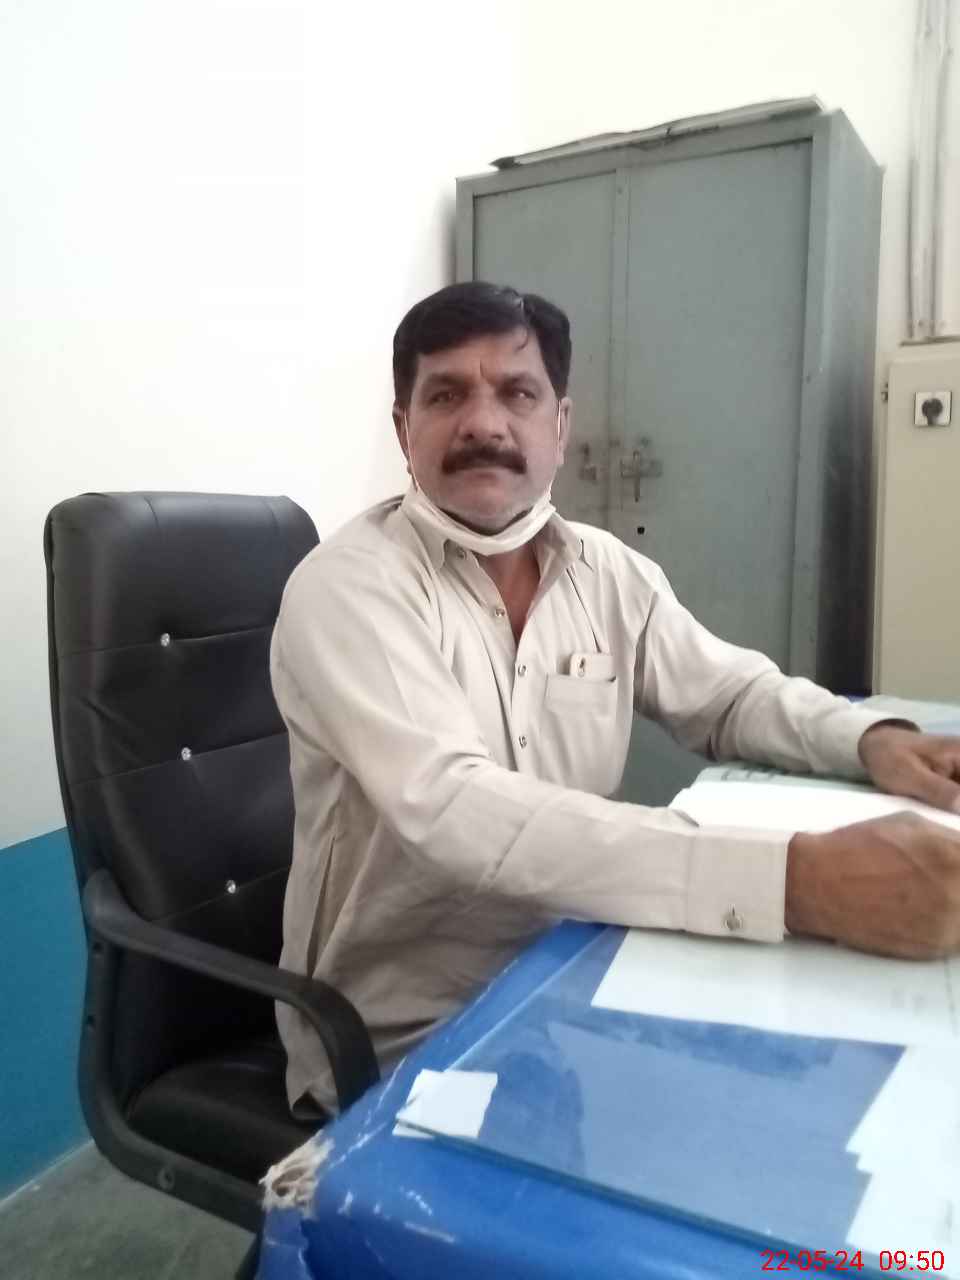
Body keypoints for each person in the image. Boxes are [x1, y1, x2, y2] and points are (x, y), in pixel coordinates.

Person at [270, 282, 960, 1117]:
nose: (484, 424)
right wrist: (800, 881)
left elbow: (728, 695)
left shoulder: (607, 570)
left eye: (518, 394)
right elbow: (454, 807)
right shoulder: (349, 588)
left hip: (578, 960)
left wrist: (870, 740)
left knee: (812, 1095)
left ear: (560, 427)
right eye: (446, 395)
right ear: (402, 428)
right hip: (400, 1035)